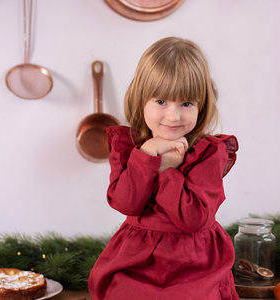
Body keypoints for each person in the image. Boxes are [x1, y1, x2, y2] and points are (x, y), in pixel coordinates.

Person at [88, 36, 239, 300]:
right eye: (161, 102)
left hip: (195, 263)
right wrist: (147, 157)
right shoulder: (130, 146)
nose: (173, 116)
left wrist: (167, 171)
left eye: (187, 103)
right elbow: (126, 203)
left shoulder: (208, 152)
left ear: (201, 105)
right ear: (141, 99)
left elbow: (195, 219)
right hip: (136, 259)